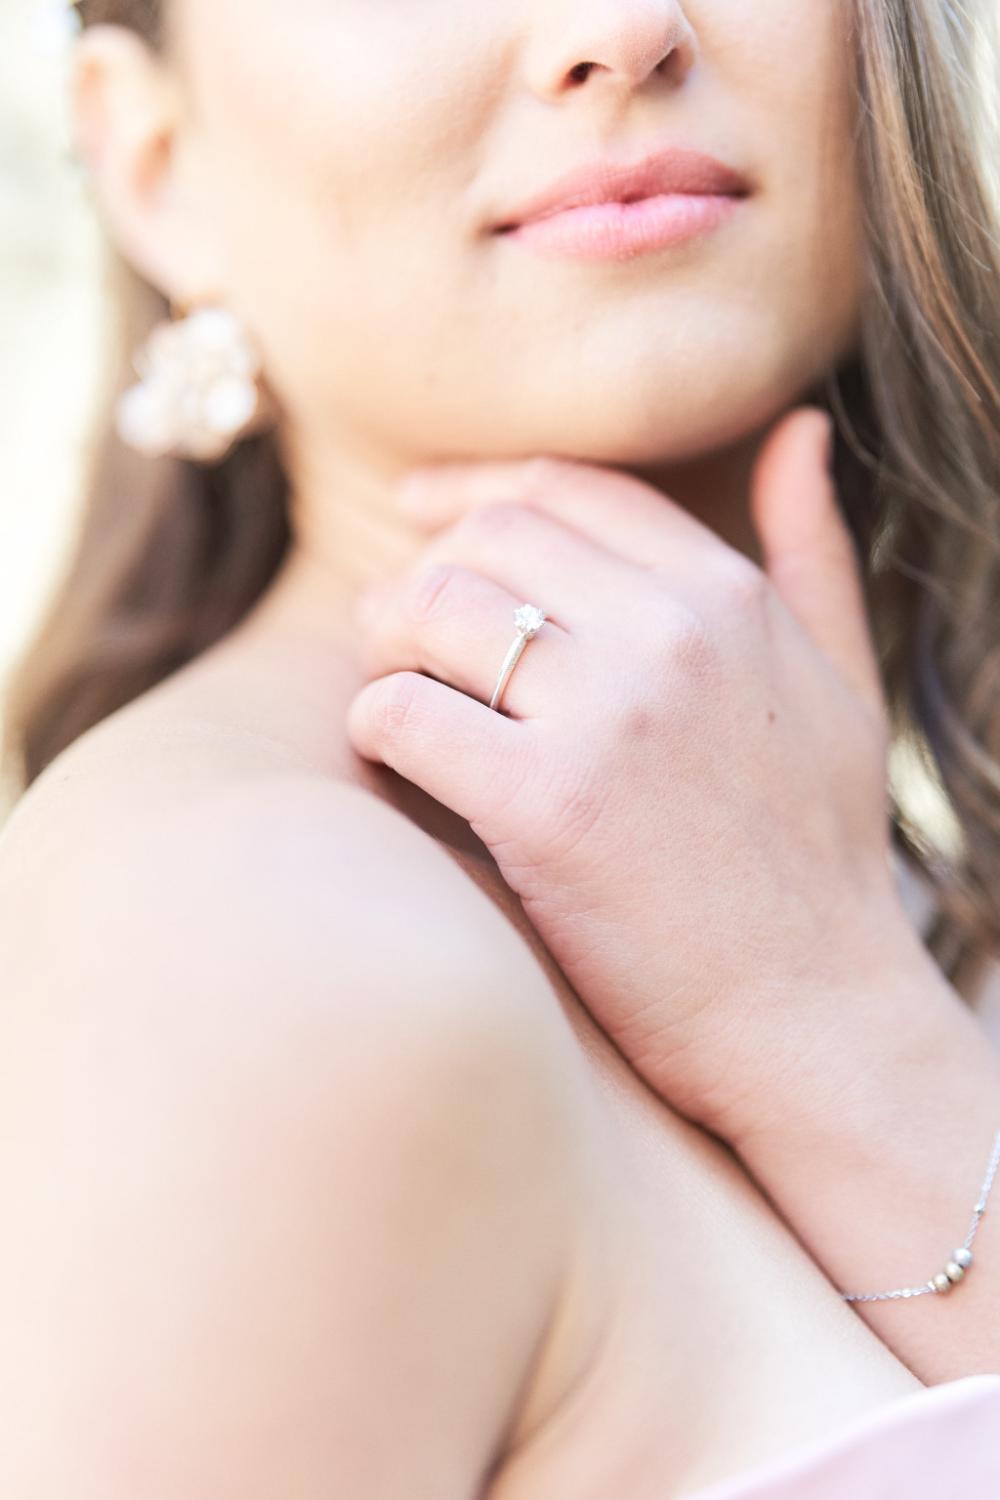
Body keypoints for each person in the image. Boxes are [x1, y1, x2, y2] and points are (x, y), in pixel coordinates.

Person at [0, 0, 998, 1495]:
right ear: (154, 162)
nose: (619, 30)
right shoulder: (253, 946)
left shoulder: (898, 897)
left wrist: (841, 1021)